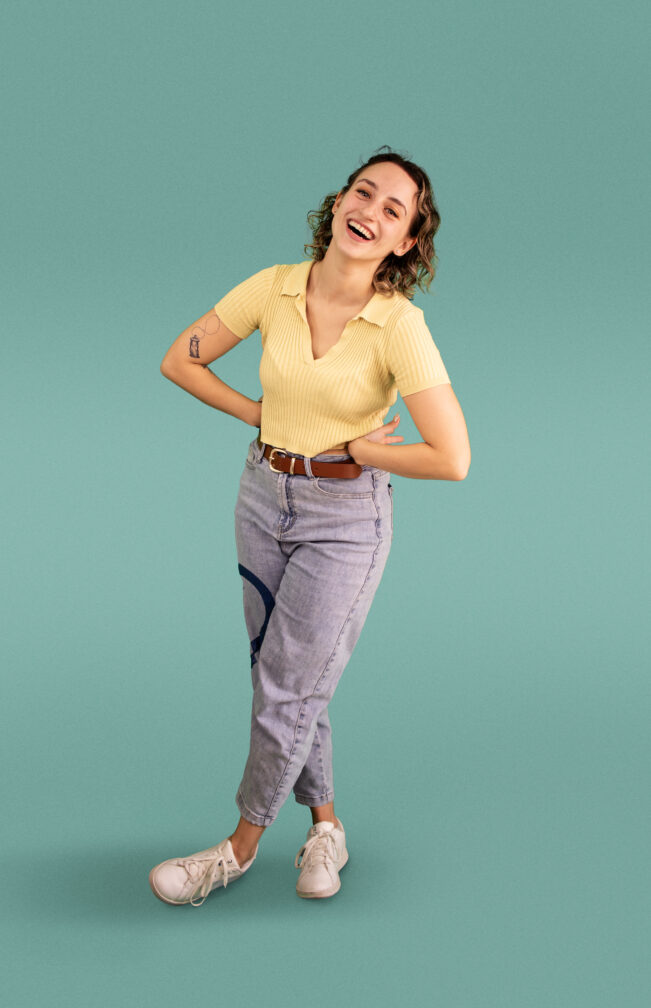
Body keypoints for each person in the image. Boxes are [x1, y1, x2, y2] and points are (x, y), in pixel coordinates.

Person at [149, 146, 471, 907]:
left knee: (288, 685)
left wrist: (360, 447)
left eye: (394, 210)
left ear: (404, 244)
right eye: (364, 193)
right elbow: (179, 359)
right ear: (336, 204)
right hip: (262, 498)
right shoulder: (272, 288)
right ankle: (325, 825)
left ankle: (236, 849)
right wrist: (258, 414)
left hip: (344, 519)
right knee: (283, 676)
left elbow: (452, 457)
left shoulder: (399, 326)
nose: (371, 211)